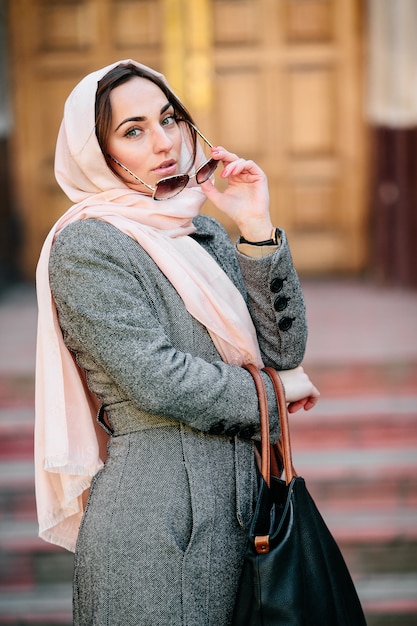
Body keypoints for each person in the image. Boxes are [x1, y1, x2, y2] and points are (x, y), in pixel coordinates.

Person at [34, 59, 319, 626]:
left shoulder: (201, 229)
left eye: (170, 119)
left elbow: (284, 352)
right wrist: (273, 394)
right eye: (133, 130)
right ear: (97, 152)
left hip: (247, 510)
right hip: (161, 524)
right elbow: (159, 380)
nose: (164, 142)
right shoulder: (89, 248)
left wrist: (256, 227)